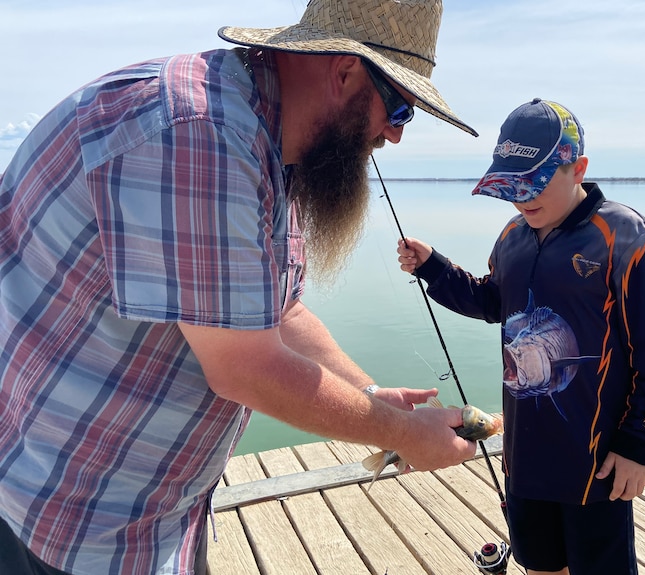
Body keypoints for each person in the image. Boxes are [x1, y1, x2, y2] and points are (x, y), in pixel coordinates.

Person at [0, 1, 481, 573]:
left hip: (165, 515)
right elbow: (245, 367)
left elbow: (280, 311)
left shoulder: (273, 144)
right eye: (400, 107)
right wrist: (406, 432)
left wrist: (368, 393)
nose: (395, 135)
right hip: (77, 520)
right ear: (346, 72)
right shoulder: (199, 133)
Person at [396, 98, 645, 575]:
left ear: (578, 168)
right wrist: (434, 268)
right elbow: (491, 302)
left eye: (535, 181)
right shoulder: (512, 234)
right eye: (512, 183)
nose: (522, 196)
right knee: (539, 565)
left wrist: (639, 443)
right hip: (524, 458)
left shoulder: (628, 237)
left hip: (597, 466)